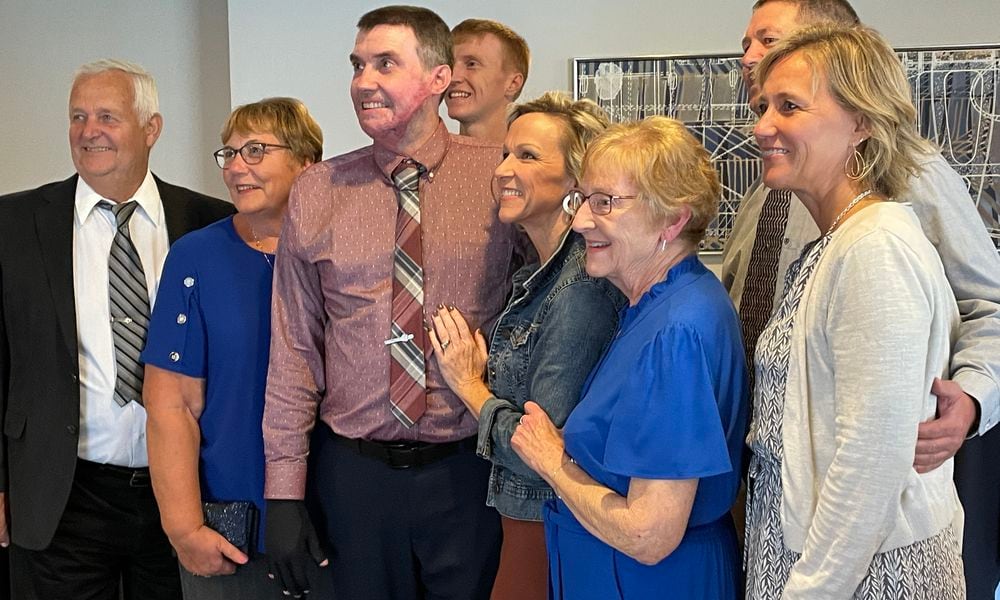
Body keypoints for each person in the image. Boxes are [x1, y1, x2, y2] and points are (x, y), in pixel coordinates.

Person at [725, 3, 1000, 596]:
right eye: (763, 106)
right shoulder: (790, 201)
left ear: (861, 116)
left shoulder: (878, 236)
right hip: (792, 508)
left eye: (789, 104)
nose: (762, 124)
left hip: (855, 555)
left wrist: (975, 397)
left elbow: (868, 460)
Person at [261, 6, 519, 599]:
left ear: (438, 78)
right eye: (357, 65)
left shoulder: (498, 176)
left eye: (385, 64)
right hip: (353, 479)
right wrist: (283, 491)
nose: (363, 81)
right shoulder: (318, 190)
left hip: (466, 471)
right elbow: (296, 347)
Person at [0, 59, 234, 600]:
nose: (88, 131)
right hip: (62, 494)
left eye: (108, 116)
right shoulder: (14, 225)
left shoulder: (211, 224)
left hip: (185, 493)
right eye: (78, 116)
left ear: (151, 129)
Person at [512, 116, 749, 599]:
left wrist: (552, 462)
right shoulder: (653, 305)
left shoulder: (676, 331)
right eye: (581, 200)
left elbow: (648, 533)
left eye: (605, 203)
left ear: (673, 219)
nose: (579, 221)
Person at [428, 91, 624, 600]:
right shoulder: (538, 273)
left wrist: (469, 384)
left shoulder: (580, 287)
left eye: (528, 156)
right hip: (528, 518)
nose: (504, 170)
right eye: (506, 154)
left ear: (578, 179)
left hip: (550, 520)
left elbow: (543, 449)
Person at [142, 98, 325, 599]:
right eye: (229, 153)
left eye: (255, 150)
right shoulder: (197, 256)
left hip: (337, 524)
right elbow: (170, 403)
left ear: (306, 162)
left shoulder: (340, 254)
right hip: (233, 531)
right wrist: (182, 528)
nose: (237, 166)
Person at [446, 19, 529, 143]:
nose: (452, 78)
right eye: (450, 64)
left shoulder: (538, 160)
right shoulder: (418, 159)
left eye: (472, 64)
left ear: (513, 84)